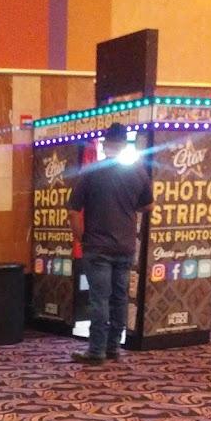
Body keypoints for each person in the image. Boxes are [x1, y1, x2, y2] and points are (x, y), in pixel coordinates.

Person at [68, 122, 154, 364]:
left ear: (105, 145)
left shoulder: (92, 172)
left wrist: (81, 238)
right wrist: (127, 208)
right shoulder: (138, 171)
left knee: (99, 299)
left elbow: (73, 211)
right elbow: (148, 205)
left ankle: (96, 351)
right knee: (119, 298)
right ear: (125, 144)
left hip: (97, 246)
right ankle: (113, 347)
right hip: (125, 245)